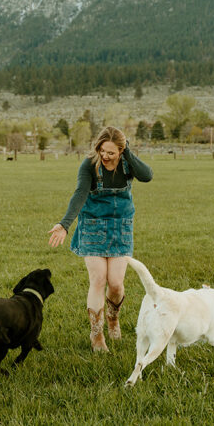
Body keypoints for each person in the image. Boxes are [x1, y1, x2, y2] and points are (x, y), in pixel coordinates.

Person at [47, 126, 153, 352]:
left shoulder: (127, 164)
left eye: (111, 153)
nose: (105, 156)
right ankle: (97, 335)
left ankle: (113, 318)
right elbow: (80, 194)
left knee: (115, 283)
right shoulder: (89, 165)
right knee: (98, 279)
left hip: (120, 226)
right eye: (102, 150)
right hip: (92, 224)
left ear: (122, 151)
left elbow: (147, 176)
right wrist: (64, 225)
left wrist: (129, 155)